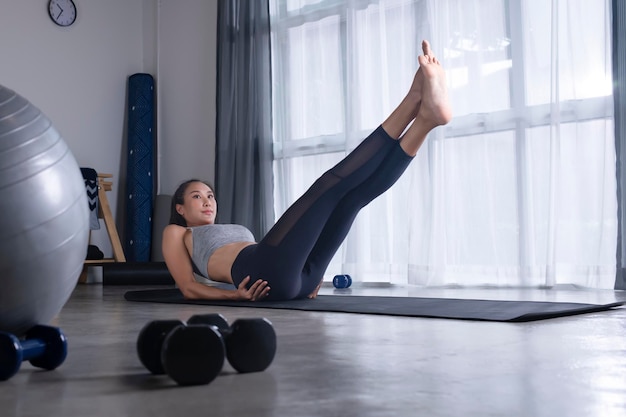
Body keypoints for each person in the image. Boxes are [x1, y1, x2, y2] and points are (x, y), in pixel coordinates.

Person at [162, 40, 452, 301]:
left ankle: (425, 121)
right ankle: (413, 99)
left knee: (353, 200)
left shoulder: (230, 228)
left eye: (210, 195)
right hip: (263, 275)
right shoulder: (177, 232)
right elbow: (187, 287)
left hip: (300, 279)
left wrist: (305, 268)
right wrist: (233, 297)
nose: (207, 201)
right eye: (197, 197)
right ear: (181, 208)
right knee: (328, 186)